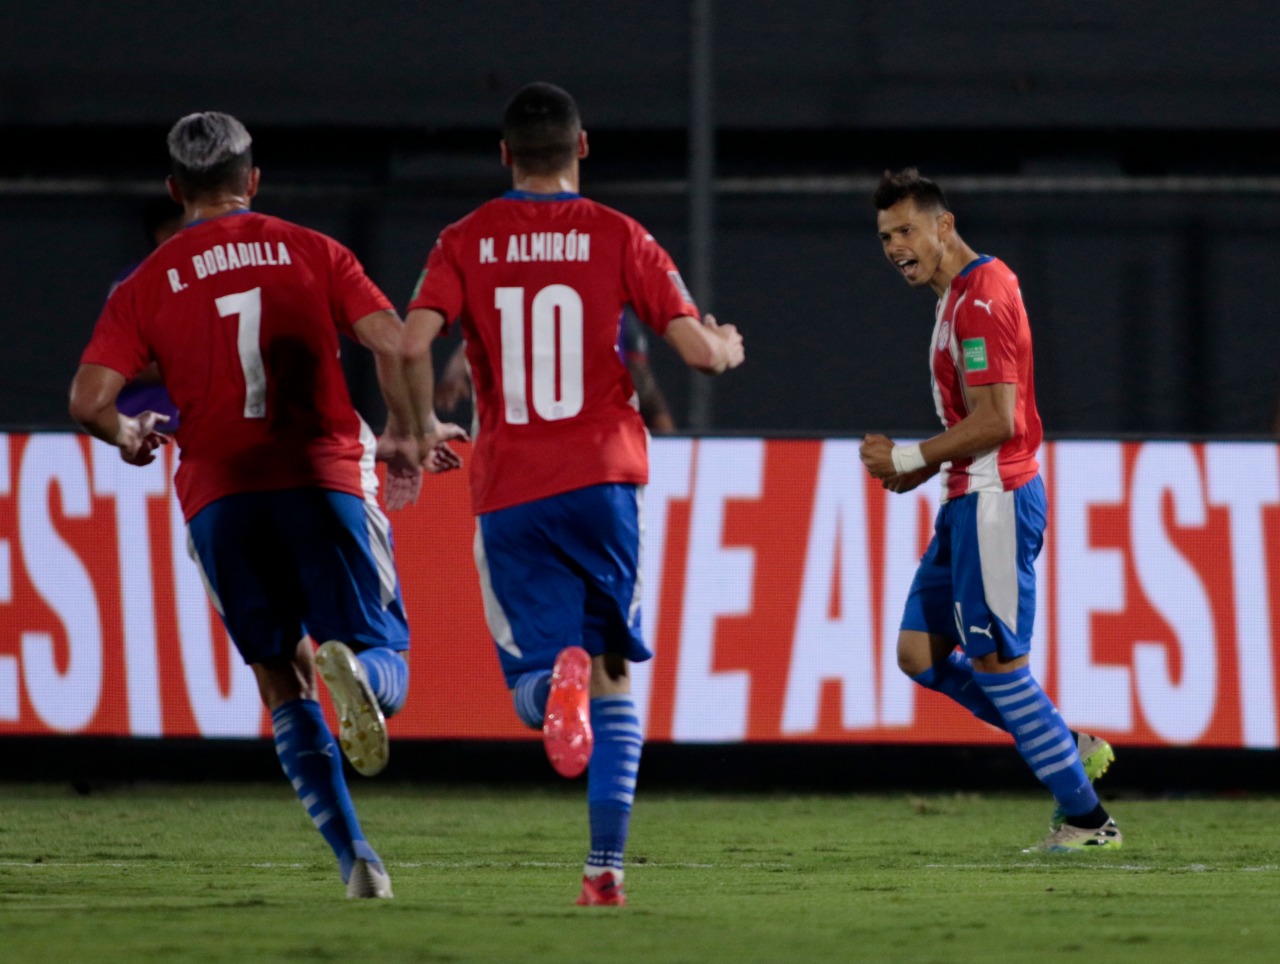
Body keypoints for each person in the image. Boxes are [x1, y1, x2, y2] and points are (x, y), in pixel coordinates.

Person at [69, 111, 465, 898]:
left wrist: (127, 434)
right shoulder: (311, 249)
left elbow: (87, 400)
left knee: (280, 679)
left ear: (175, 190)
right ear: (254, 181)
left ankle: (356, 859)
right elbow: (396, 342)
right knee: (382, 654)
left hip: (220, 499)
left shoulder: (145, 282)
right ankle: (363, 677)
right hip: (320, 475)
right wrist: (409, 431)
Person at [401, 82, 744, 905]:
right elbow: (696, 352)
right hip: (603, 482)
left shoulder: (465, 239)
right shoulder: (620, 235)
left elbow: (413, 341)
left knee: (536, 687)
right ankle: (604, 872)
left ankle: (553, 677)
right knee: (615, 671)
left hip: (512, 486)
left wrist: (415, 428)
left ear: (505, 155)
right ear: (583, 148)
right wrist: (727, 347)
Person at [860, 168, 1122, 852]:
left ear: (944, 225)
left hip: (995, 502)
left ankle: (1089, 821)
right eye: (886, 236)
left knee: (1000, 668)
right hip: (964, 502)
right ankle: (1062, 741)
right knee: (918, 655)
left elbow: (1000, 419)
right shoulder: (956, 296)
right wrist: (925, 472)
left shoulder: (979, 299)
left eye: (907, 230)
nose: (895, 247)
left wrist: (913, 458)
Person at [435, 307, 676, 433]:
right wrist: (453, 373)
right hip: (586, 443)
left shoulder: (618, 318)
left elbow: (645, 388)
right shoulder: (537, 312)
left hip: (552, 440)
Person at [113, 196, 186, 430]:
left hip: (198, 426)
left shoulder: (207, 276)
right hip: (144, 427)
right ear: (164, 234)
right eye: (190, 227)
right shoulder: (136, 282)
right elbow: (125, 363)